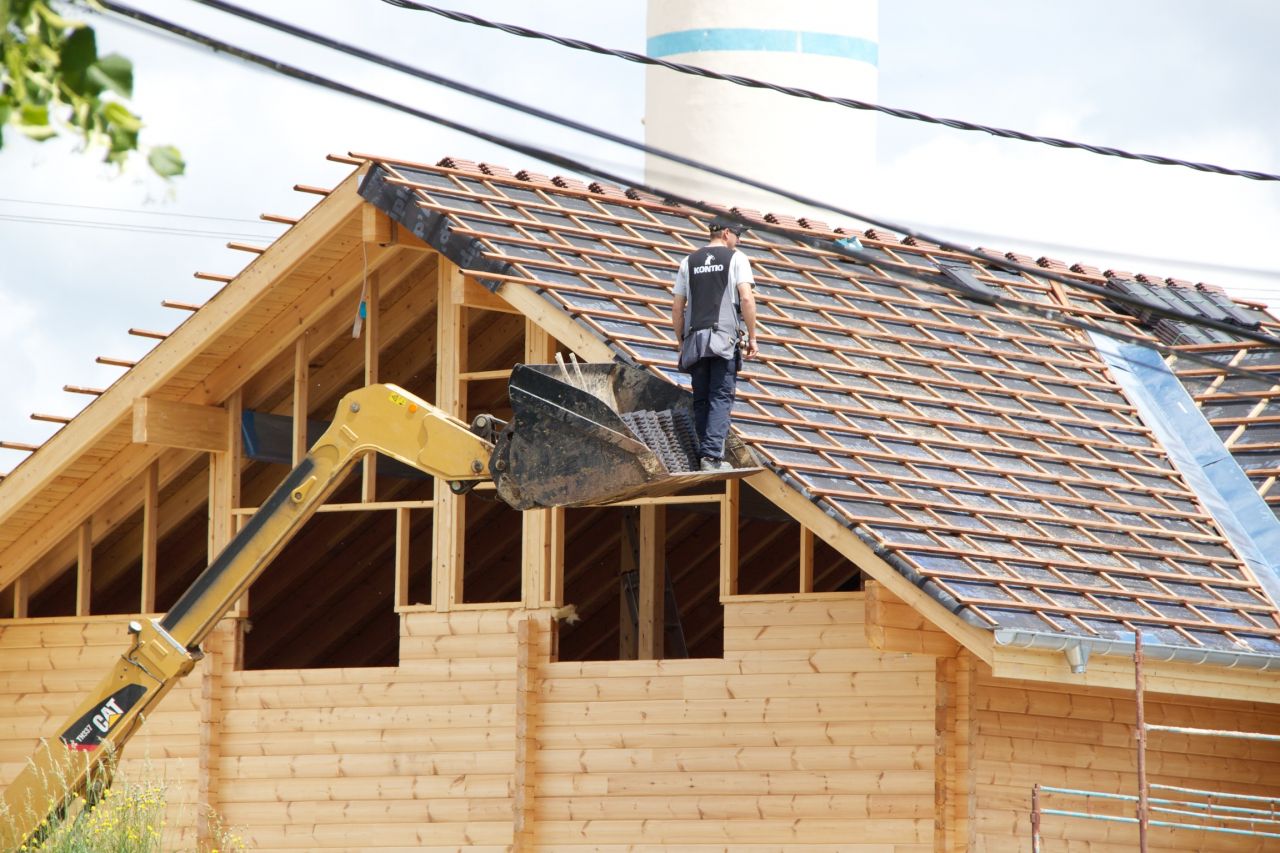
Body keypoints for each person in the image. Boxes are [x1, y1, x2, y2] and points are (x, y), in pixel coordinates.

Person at [671, 215, 758, 471]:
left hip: (695, 341)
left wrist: (681, 342)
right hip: (723, 340)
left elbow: (677, 308)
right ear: (727, 233)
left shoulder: (688, 262)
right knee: (720, 396)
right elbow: (747, 299)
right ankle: (710, 457)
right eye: (739, 235)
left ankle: (703, 454)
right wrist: (752, 335)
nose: (739, 241)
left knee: (702, 398)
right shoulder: (736, 258)